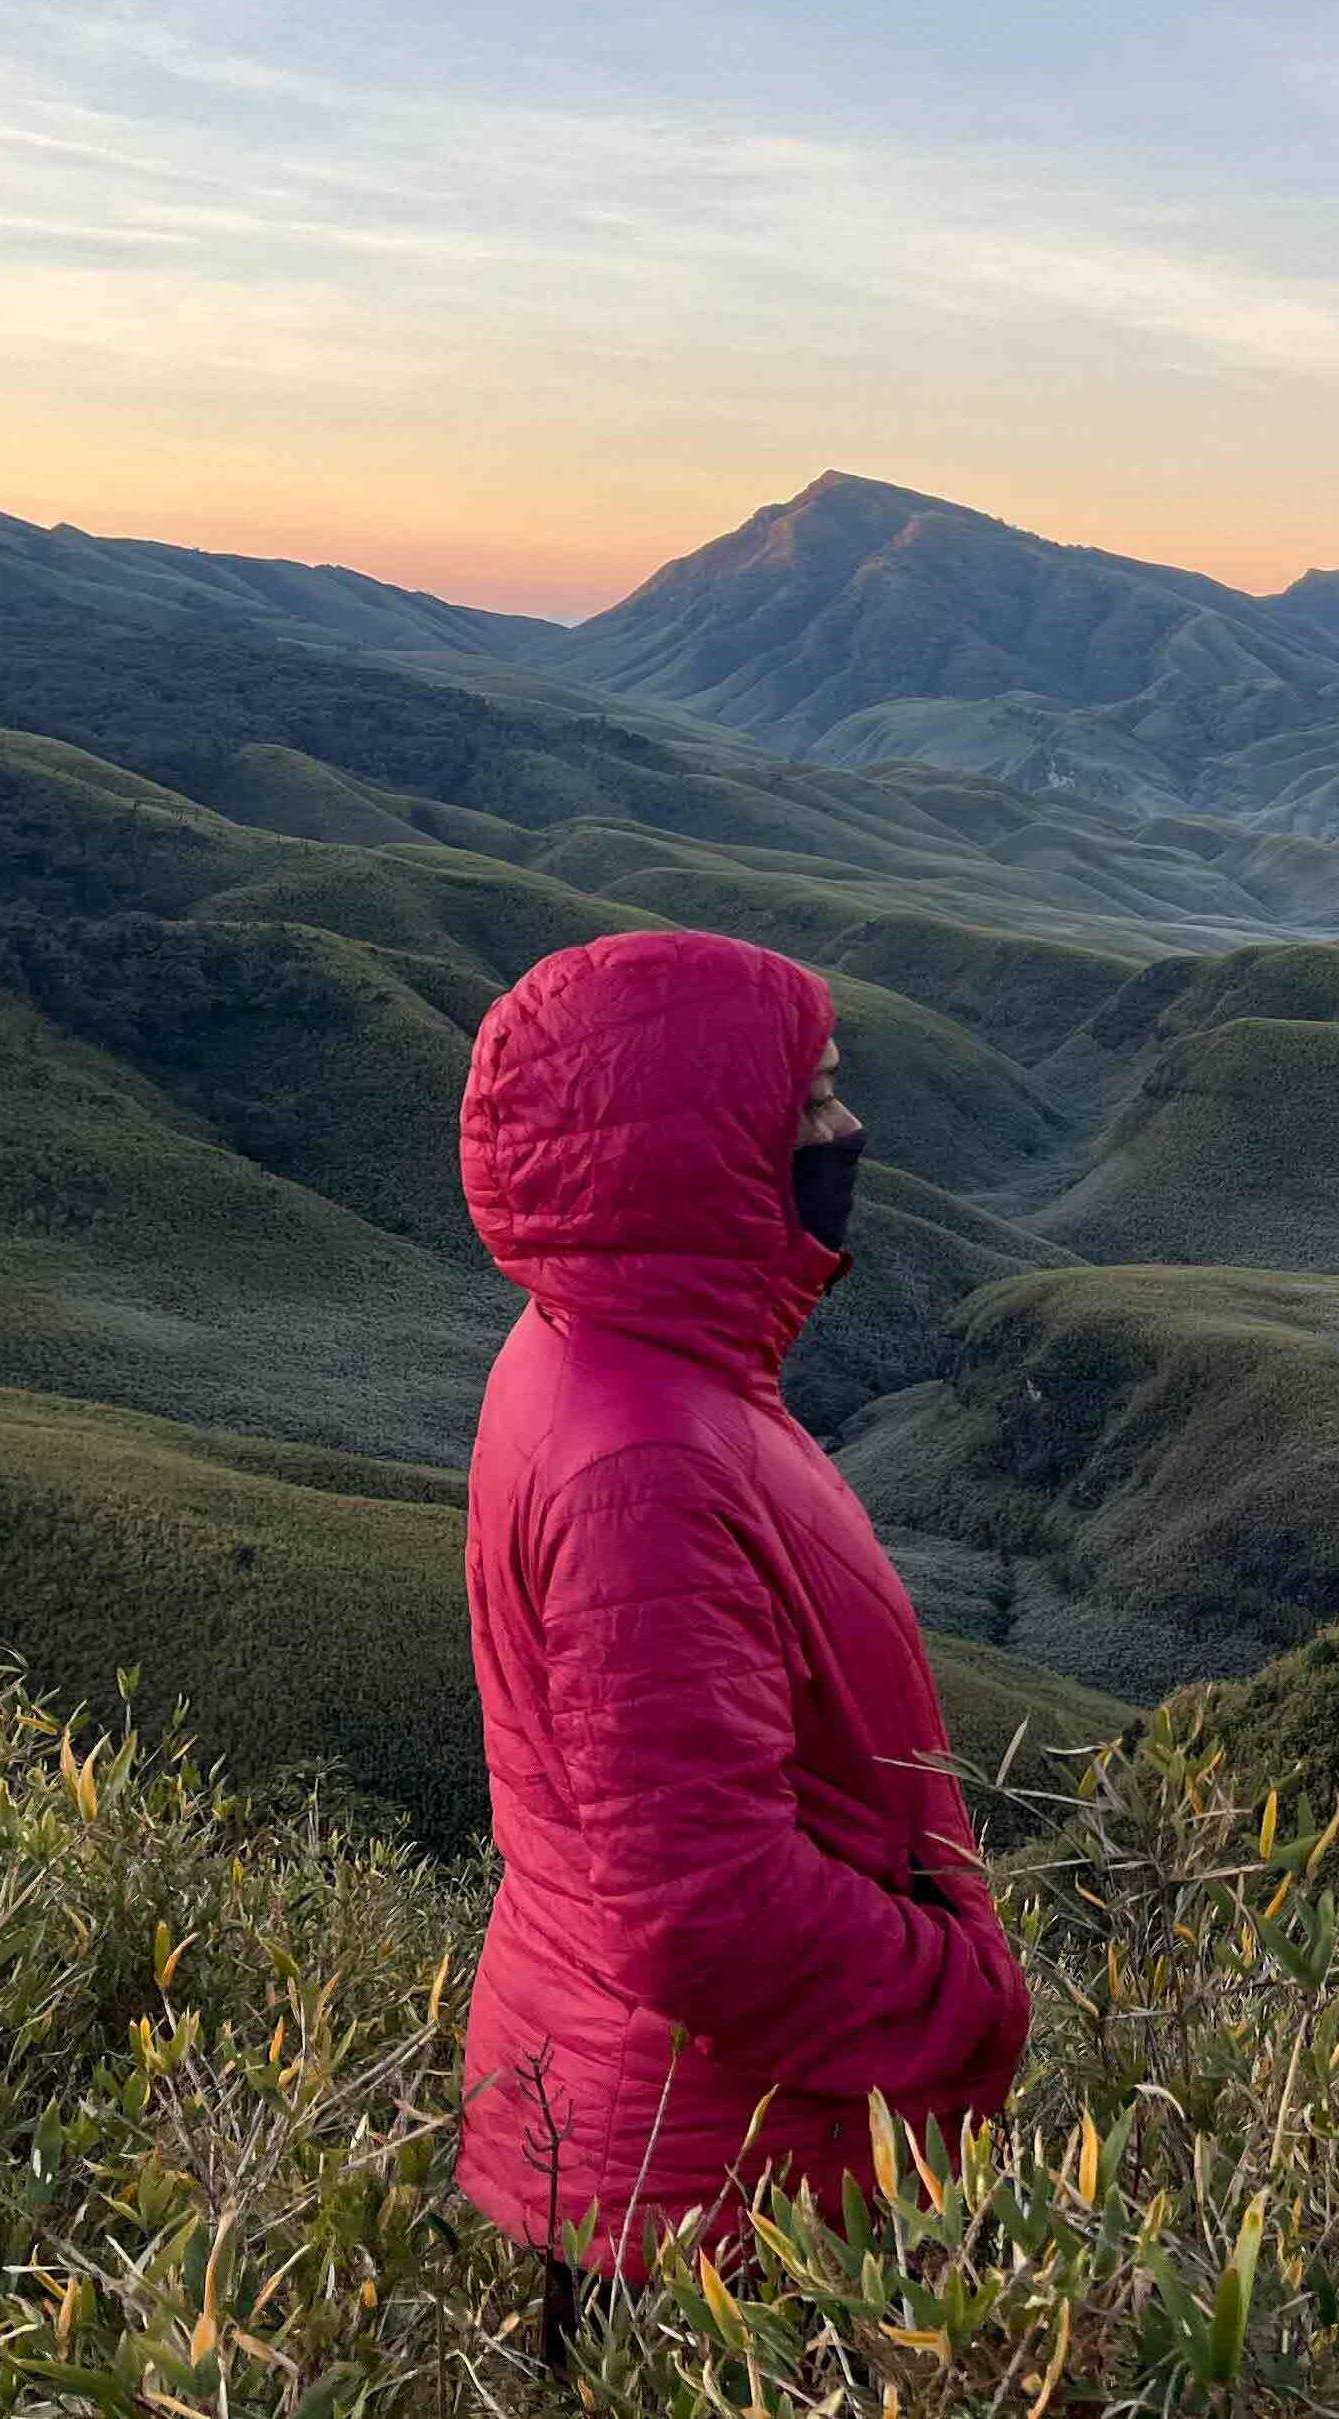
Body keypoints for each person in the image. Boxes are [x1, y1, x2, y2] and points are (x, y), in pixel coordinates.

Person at [448, 930, 1030, 2359]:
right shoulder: (638, 1460)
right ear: (700, 1144)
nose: (845, 1130)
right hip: (717, 2200)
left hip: (674, 2138)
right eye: (813, 1098)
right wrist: (966, 1997)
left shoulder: (619, 1361)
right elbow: (704, 1911)